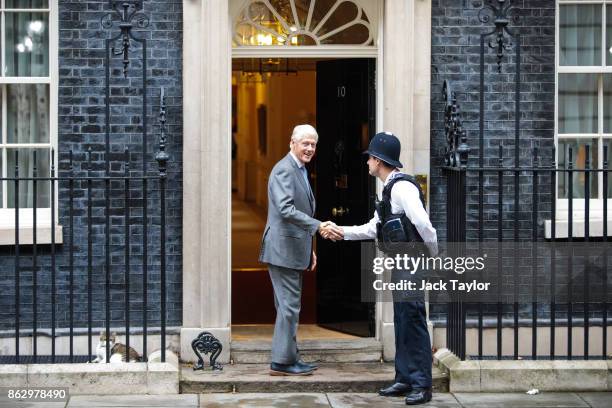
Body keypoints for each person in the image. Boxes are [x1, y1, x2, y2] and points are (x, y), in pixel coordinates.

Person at [329, 132, 438, 405]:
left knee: (413, 322)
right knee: (402, 320)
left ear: (378, 160)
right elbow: (372, 228)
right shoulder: (389, 188)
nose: (367, 163)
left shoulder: (403, 188)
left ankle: (422, 385)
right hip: (401, 262)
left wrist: (432, 254)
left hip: (411, 261)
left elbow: (424, 225)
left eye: (369, 158)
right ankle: (404, 378)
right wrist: (341, 231)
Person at [259, 124, 342, 376]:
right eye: (305, 143)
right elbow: (285, 210)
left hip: (292, 247)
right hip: (283, 249)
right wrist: (318, 226)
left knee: (288, 306)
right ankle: (283, 362)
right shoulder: (284, 170)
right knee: (289, 307)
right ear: (292, 143)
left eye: (313, 144)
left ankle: (288, 357)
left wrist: (309, 249)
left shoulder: (300, 169)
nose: (309, 148)